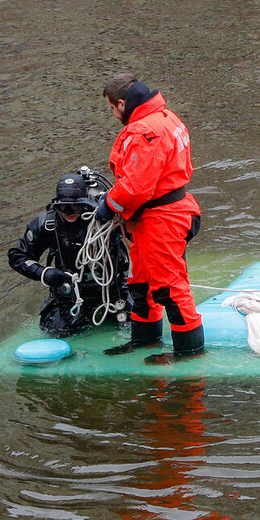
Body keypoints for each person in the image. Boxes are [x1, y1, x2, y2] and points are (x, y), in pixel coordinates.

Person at [94, 74, 205, 364]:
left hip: (161, 217)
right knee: (141, 284)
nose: (113, 115)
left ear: (121, 104)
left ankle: (189, 353)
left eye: (112, 109)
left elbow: (134, 186)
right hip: (155, 215)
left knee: (169, 288)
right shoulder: (166, 117)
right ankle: (144, 340)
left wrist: (109, 204)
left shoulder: (144, 131)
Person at [8, 171, 130, 337]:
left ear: (84, 203)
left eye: (74, 207)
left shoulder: (107, 220)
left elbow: (143, 234)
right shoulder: (47, 224)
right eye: (63, 208)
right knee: (55, 330)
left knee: (139, 322)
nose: (69, 212)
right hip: (71, 293)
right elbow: (17, 256)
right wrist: (45, 273)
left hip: (113, 288)